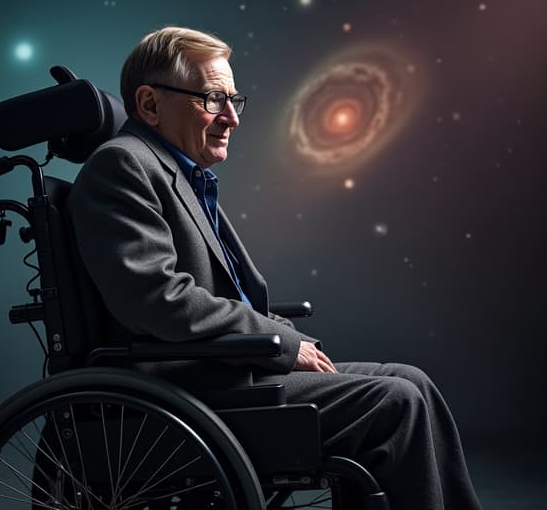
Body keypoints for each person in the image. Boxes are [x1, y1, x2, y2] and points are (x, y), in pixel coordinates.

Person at [68, 26, 482, 510]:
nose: (231, 118)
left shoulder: (176, 170)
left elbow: (206, 293)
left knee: (413, 381)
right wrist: (282, 343)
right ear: (151, 104)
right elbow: (157, 299)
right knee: (397, 403)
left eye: (232, 100)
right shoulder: (122, 166)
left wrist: (278, 336)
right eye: (213, 98)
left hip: (224, 371)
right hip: (183, 392)